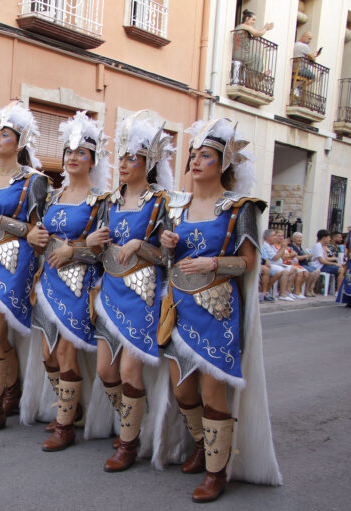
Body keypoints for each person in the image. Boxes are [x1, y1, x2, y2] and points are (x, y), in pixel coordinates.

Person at [160, 118, 281, 502]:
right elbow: (168, 259)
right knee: (182, 390)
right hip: (178, 304)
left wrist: (212, 263)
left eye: (206, 156)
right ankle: (201, 444)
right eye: (193, 155)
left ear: (223, 163)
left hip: (217, 308)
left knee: (213, 392)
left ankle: (217, 470)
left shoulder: (239, 208)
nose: (196, 161)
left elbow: (248, 262)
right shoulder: (176, 204)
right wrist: (167, 243)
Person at [85, 110, 175, 470]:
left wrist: (142, 245)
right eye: (121, 157)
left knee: (128, 372)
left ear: (147, 162)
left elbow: (168, 256)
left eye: (131, 158)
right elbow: (96, 249)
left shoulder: (163, 203)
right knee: (106, 372)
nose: (123, 164)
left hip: (142, 294)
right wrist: (91, 242)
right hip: (108, 291)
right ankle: (130, 423)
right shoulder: (108, 201)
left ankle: (128, 443)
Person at [27, 111, 110, 451]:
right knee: (48, 355)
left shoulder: (101, 201)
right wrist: (34, 235)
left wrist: (75, 250)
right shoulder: (52, 197)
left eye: (81, 153)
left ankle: (65, 426)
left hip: (79, 284)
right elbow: (40, 236)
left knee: (65, 352)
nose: (73, 158)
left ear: (93, 160)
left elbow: (102, 251)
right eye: (69, 152)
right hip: (47, 283)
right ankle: (70, 409)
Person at [0, 101, 48, 435]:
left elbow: (36, 232)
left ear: (19, 142)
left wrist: (2, 221)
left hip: (15, 264)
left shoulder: (33, 181)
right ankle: (9, 392)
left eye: (5, 134)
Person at [232, 9, 274, 81]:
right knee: (257, 57)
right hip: (240, 54)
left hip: (240, 53)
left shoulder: (242, 27)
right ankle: (255, 77)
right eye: (253, 20)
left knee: (255, 58)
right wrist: (265, 28)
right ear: (247, 18)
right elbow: (257, 33)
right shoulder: (245, 26)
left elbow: (255, 34)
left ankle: (255, 76)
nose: (254, 22)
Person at [261, 229, 296, 300]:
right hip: (272, 265)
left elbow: (280, 255)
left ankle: (287, 291)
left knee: (293, 269)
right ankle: (282, 294)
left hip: (278, 264)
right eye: (274, 236)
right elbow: (275, 257)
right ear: (268, 237)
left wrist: (284, 248)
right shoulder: (266, 245)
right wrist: (283, 247)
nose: (275, 237)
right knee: (284, 271)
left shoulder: (271, 245)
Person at [288, 232, 320, 297]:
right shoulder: (291, 246)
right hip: (298, 265)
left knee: (317, 271)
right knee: (310, 272)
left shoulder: (300, 247)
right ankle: (305, 290)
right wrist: (306, 256)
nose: (299, 239)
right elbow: (295, 258)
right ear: (293, 238)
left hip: (305, 264)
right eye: (297, 237)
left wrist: (308, 257)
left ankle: (310, 289)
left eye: (300, 238)